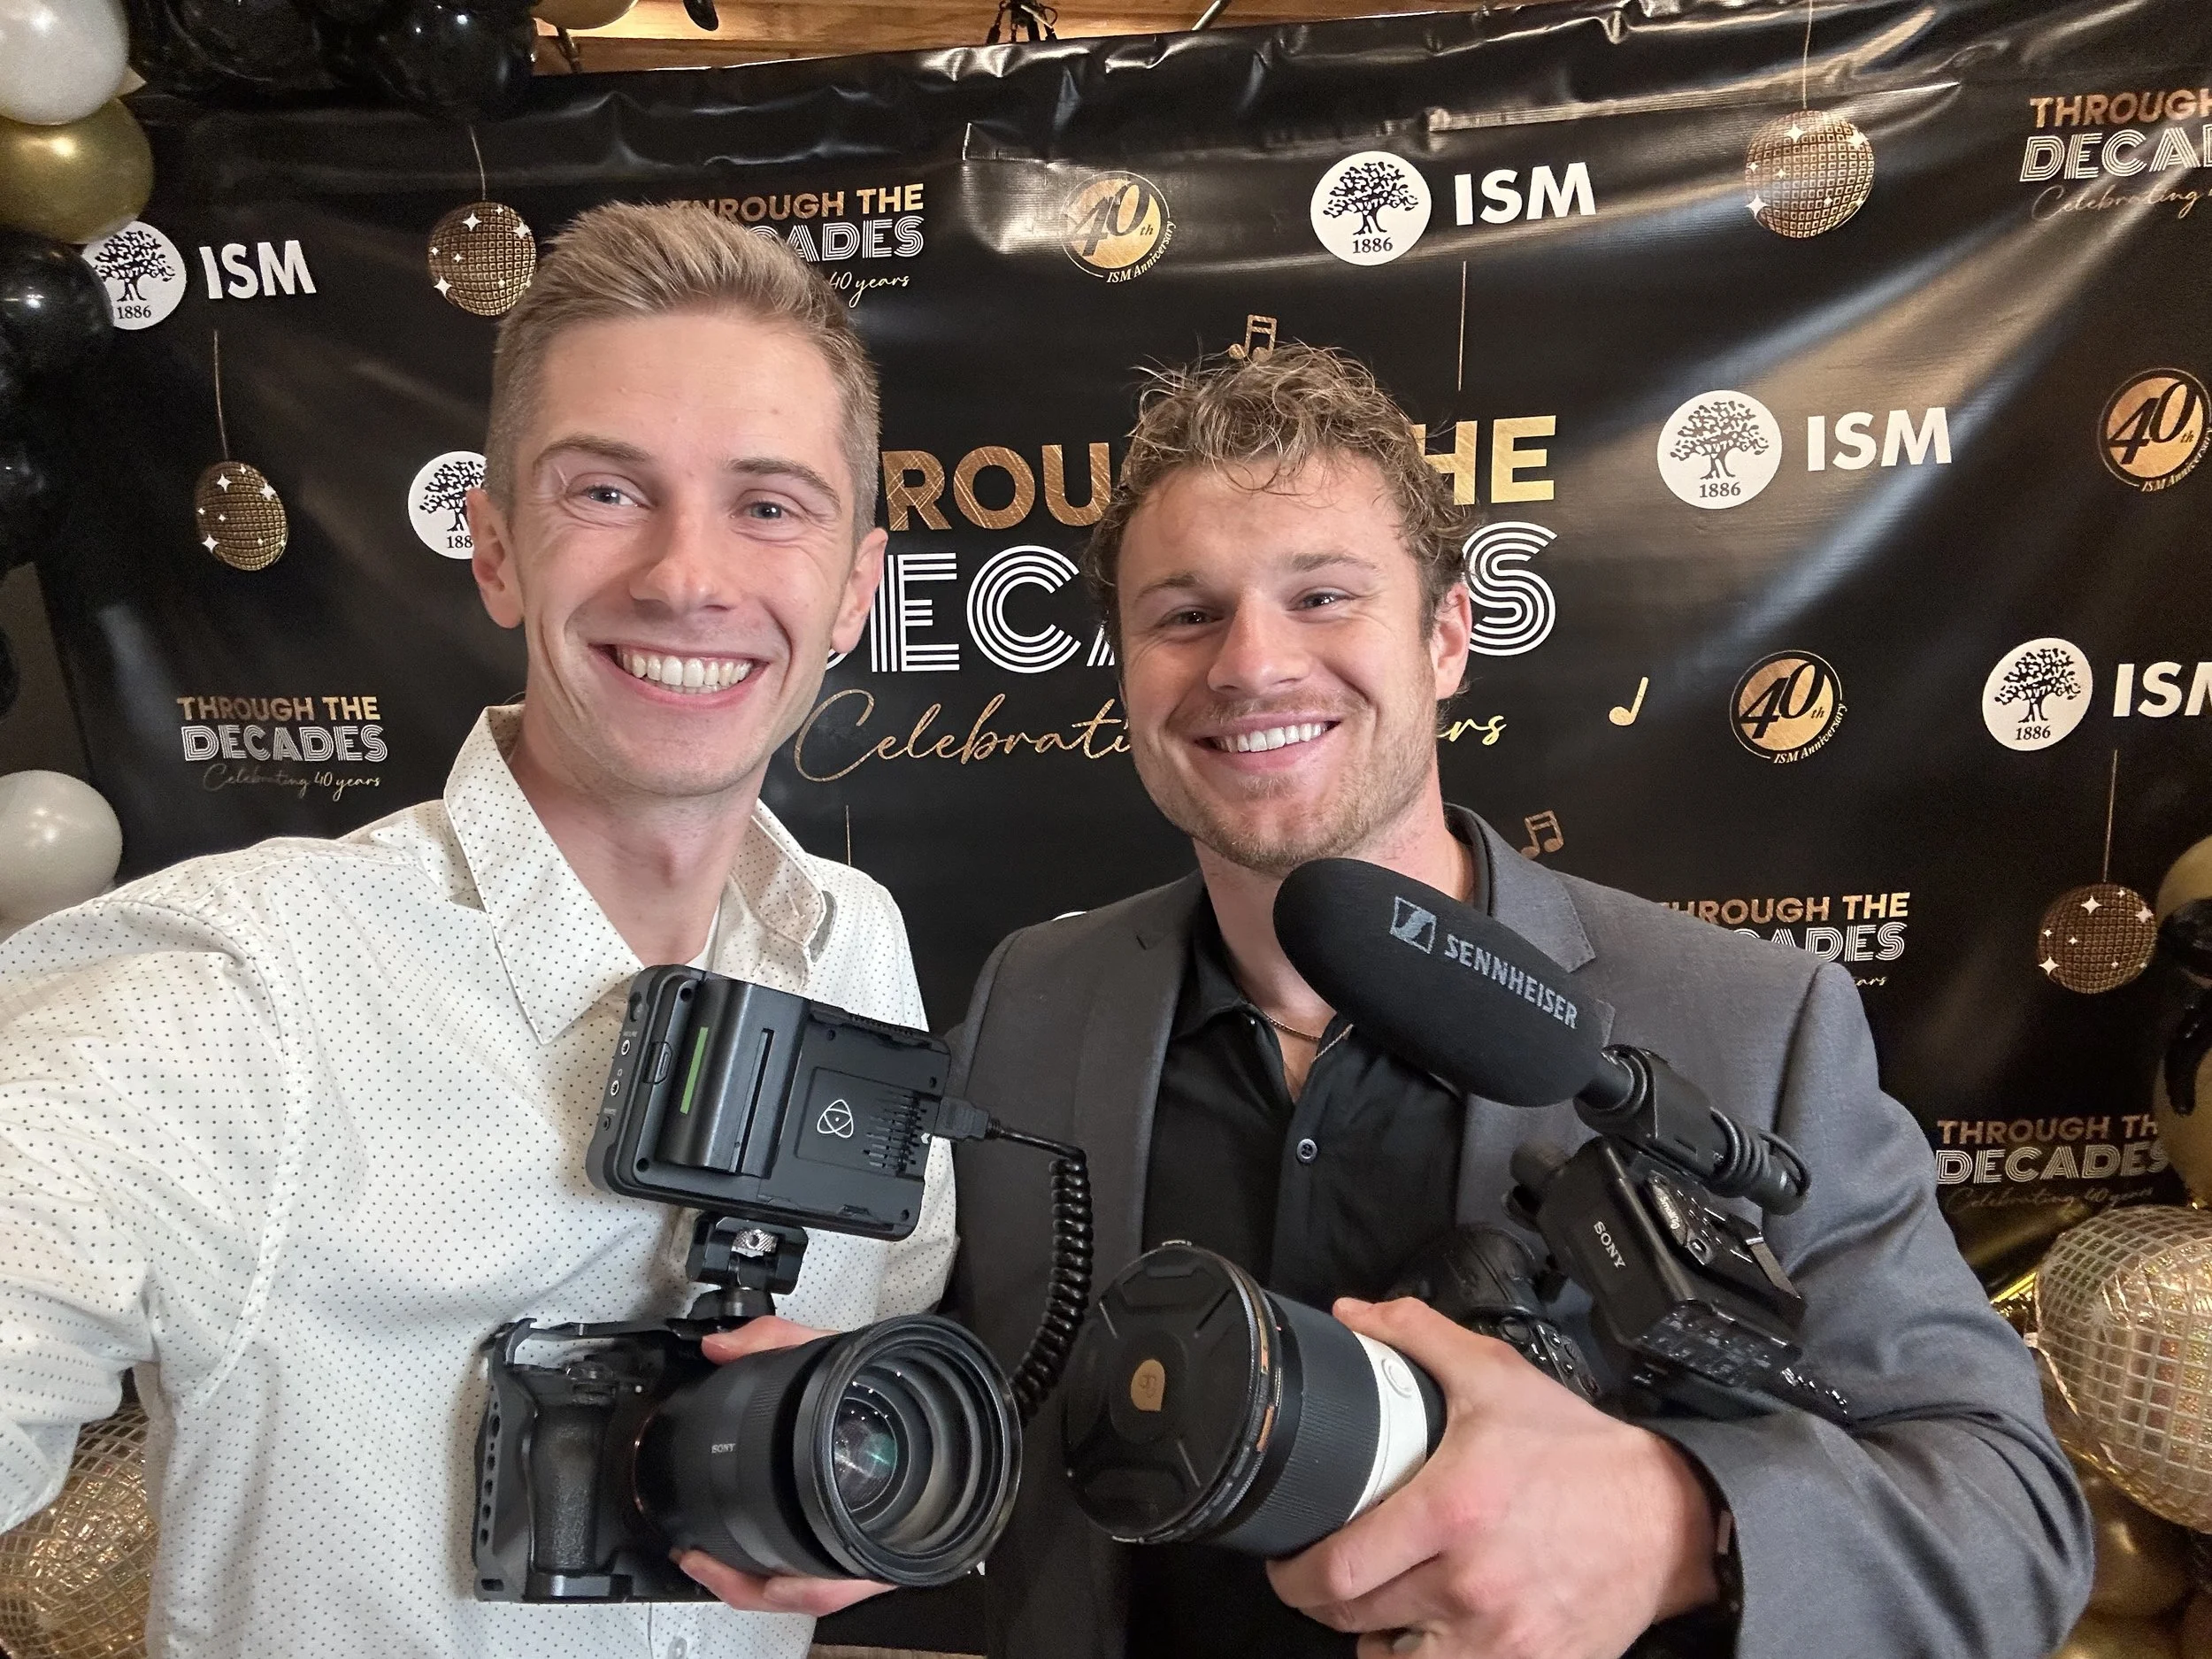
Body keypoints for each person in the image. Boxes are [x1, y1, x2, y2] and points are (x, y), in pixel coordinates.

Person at [941, 345, 2093, 1658]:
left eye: (1323, 596)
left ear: (1445, 638)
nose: (1252, 664)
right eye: (1185, 614)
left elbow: (2013, 1521)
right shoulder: (1032, 1002)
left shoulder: (1754, 1025)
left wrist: (1672, 1525)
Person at [0, 203, 949, 1658]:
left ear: (852, 593)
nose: (688, 576)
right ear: (497, 550)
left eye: (770, 506)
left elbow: (890, 1301)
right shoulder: (238, 998)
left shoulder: (858, 947)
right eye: (608, 491)